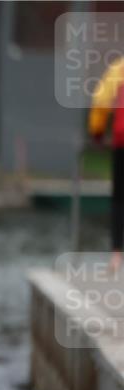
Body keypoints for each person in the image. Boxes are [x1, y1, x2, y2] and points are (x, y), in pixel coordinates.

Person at [88, 55, 124, 271]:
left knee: (119, 197)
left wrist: (97, 133)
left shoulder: (119, 68)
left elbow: (101, 101)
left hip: (122, 139)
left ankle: (116, 254)